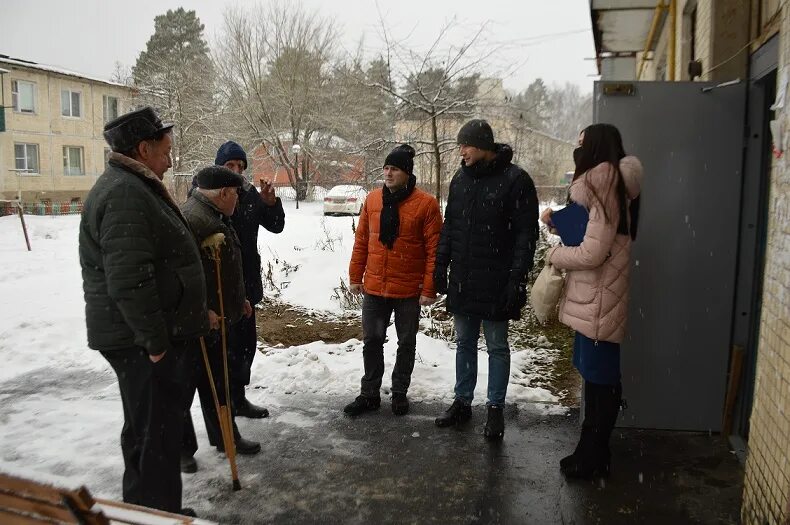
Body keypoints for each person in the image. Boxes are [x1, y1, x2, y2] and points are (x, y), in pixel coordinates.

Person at [79, 107, 208, 515]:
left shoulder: (135, 186)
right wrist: (155, 343)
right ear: (143, 148)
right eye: (166, 150)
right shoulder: (124, 193)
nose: (171, 159)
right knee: (157, 433)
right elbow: (129, 279)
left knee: (147, 428)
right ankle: (156, 515)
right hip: (140, 340)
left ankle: (146, 510)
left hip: (141, 336)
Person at [541, 123, 642, 479]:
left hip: (599, 297)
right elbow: (597, 235)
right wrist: (561, 226)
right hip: (598, 296)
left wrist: (556, 254)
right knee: (597, 379)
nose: (577, 151)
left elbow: (592, 253)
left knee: (601, 382)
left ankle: (595, 456)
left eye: (582, 146)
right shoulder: (611, 187)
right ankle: (591, 451)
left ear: (596, 149)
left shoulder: (603, 186)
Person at [433, 119, 538, 440]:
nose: (461, 151)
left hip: (496, 281)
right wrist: (440, 266)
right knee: (464, 343)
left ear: (483, 147)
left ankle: (495, 410)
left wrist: (517, 280)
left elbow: (525, 236)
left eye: (465, 145)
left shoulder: (516, 180)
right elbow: (450, 227)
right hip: (464, 278)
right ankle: (462, 402)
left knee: (496, 346)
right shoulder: (460, 180)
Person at [344, 144, 443, 417]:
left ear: (407, 174)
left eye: (394, 169)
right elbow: (362, 240)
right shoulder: (373, 200)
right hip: (375, 287)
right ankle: (369, 394)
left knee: (406, 343)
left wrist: (429, 287)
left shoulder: (426, 204)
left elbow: (435, 249)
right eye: (386, 168)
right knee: (372, 341)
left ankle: (400, 393)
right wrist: (355, 275)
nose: (387, 173)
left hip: (408, 290)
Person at [181, 166, 262, 461]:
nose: (238, 201)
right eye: (236, 194)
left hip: (217, 318)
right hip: (197, 322)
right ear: (224, 193)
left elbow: (225, 267)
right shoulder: (194, 219)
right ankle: (183, 451)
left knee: (218, 381)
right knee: (187, 387)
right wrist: (203, 311)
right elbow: (185, 275)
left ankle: (225, 436)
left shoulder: (212, 215)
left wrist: (237, 299)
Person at [216, 141, 285, 419]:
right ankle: (223, 408)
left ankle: (239, 398)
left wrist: (271, 203)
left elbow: (276, 226)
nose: (236, 171)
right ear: (219, 166)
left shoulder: (249, 194)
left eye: (240, 166)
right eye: (230, 166)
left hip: (247, 282)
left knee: (246, 345)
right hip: (219, 286)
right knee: (224, 349)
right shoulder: (208, 194)